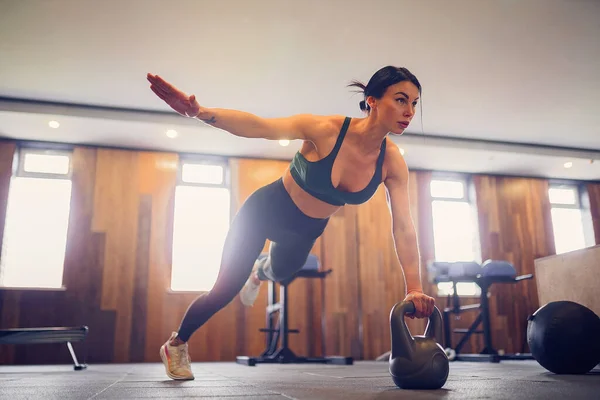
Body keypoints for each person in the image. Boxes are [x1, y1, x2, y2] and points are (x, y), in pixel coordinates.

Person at [147, 66, 436, 380]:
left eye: (415, 104)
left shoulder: (392, 162)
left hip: (306, 230)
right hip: (263, 212)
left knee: (283, 272)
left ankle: (259, 272)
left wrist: (414, 288)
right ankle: (176, 343)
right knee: (223, 291)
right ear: (373, 101)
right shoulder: (325, 129)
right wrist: (200, 112)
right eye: (401, 100)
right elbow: (259, 126)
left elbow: (404, 225)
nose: (409, 111)